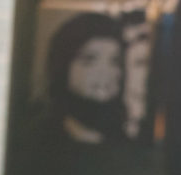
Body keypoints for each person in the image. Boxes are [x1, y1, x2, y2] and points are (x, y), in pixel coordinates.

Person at [46, 13, 127, 143]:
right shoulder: (36, 141)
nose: (105, 72)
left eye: (115, 61)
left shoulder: (130, 141)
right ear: (63, 66)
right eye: (89, 59)